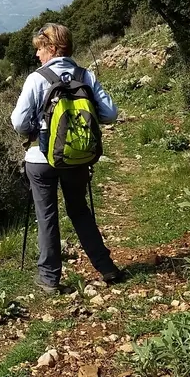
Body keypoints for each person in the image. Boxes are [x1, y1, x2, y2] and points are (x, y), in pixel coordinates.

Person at [10, 23, 122, 293]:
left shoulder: (37, 79)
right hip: (77, 157)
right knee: (79, 210)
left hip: (42, 159)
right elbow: (109, 114)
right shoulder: (86, 75)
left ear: (51, 48)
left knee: (46, 215)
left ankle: (49, 279)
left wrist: (34, 133)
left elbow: (18, 122)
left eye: (39, 49)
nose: (37, 55)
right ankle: (106, 267)